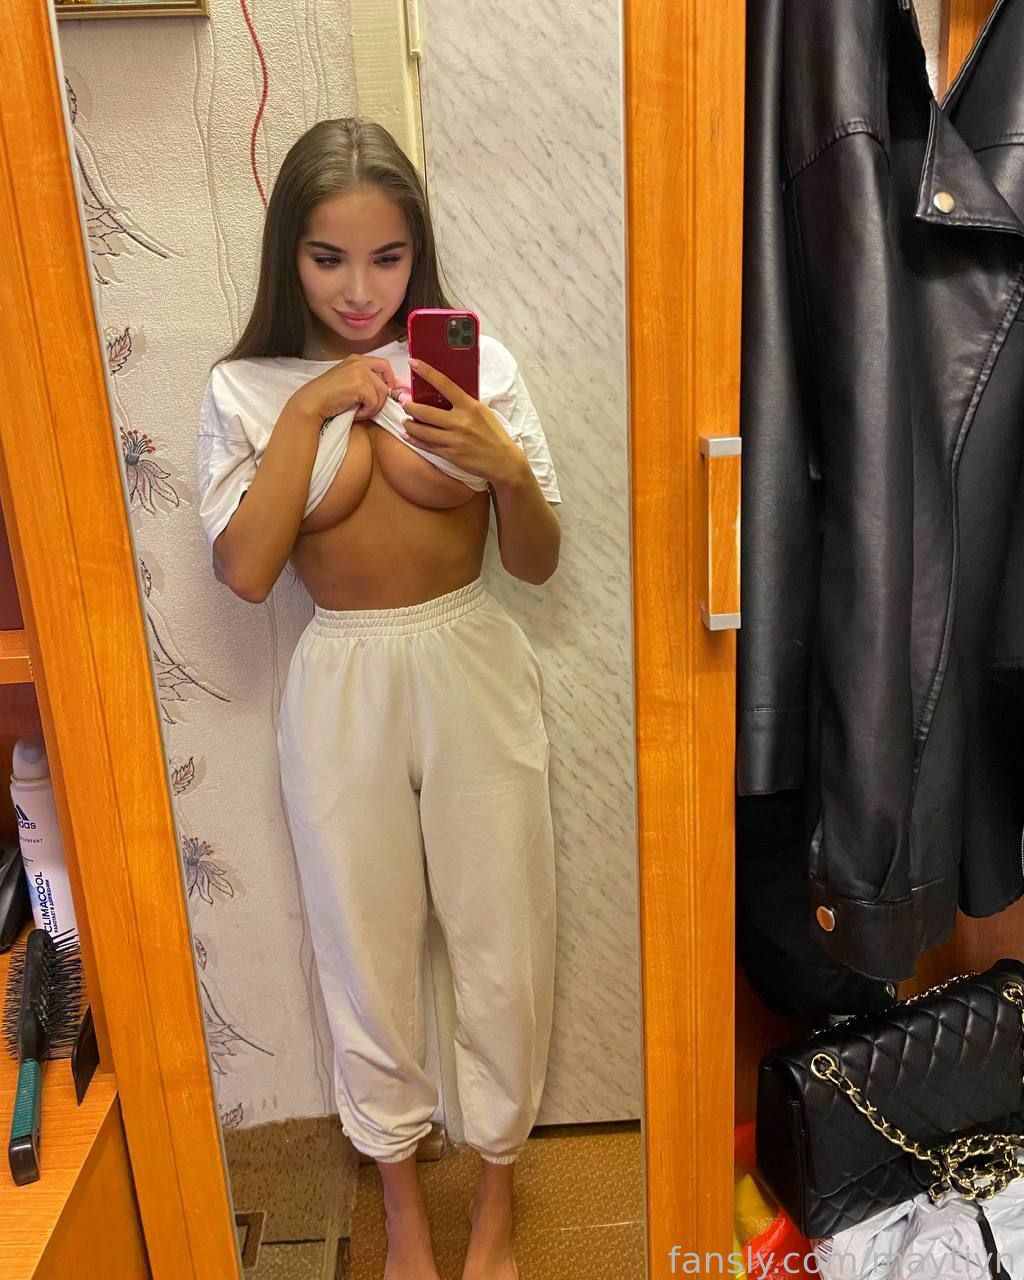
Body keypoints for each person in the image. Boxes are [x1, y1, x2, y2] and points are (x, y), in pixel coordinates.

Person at [196, 117, 562, 1280]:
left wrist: (506, 467)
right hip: (341, 679)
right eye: (328, 258)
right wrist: (311, 407)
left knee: (503, 934)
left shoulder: (475, 368)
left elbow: (537, 562)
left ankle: (494, 1199)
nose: (359, 290)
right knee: (362, 945)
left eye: (387, 258)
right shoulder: (246, 389)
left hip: (471, 660)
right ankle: (402, 1206)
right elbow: (247, 572)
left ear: (418, 253)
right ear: (289, 257)